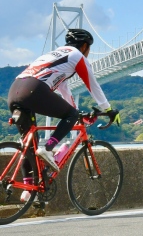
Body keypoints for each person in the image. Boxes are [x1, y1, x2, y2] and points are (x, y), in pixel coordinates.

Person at [8, 29, 119, 201]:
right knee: (61, 125)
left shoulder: (57, 57)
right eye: (88, 49)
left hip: (15, 90)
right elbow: (92, 84)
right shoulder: (77, 56)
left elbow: (64, 90)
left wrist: (76, 113)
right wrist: (108, 109)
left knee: (29, 144)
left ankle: (28, 190)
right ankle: (49, 147)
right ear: (84, 46)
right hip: (33, 89)